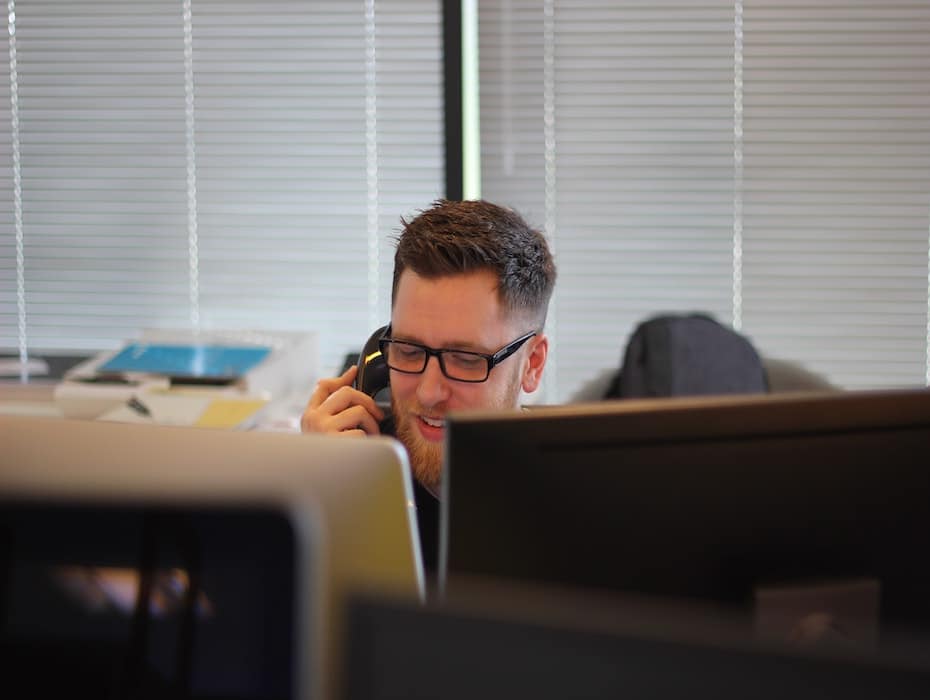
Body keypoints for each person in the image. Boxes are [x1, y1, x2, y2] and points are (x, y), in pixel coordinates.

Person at [301, 198, 556, 574]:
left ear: (532, 364)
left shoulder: (571, 512)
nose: (428, 392)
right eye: (408, 350)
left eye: (466, 359)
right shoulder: (351, 471)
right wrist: (315, 492)